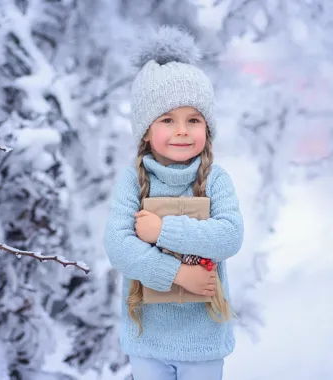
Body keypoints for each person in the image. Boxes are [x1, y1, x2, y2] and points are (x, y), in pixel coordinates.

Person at [104, 25, 244, 380]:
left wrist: (163, 230)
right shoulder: (133, 181)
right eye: (167, 119)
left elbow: (229, 236)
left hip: (202, 342)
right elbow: (119, 247)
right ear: (146, 130)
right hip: (148, 340)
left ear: (207, 128)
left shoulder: (215, 179)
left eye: (193, 120)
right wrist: (179, 275)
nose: (182, 130)